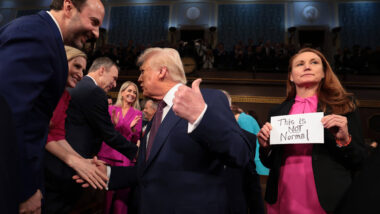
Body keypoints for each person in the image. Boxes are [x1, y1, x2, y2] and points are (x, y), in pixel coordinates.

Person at [77, 47, 251, 214]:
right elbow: (148, 171)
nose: (139, 78)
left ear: (161, 72)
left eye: (143, 71)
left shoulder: (207, 99)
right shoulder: (157, 116)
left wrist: (200, 116)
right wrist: (107, 173)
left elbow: (240, 153)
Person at [0, 0, 105, 212]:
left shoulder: (44, 36)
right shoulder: (36, 36)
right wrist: (26, 190)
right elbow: (9, 116)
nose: (96, 33)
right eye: (93, 22)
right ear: (68, 6)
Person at [257, 48, 367, 213]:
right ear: (291, 76)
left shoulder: (344, 106)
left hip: (329, 198)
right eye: (300, 64)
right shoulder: (277, 112)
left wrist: (345, 140)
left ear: (323, 73)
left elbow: (360, 160)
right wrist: (265, 147)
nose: (307, 67)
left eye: (314, 62)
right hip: (283, 196)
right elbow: (269, 163)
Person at [45, 57, 138, 213]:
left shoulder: (76, 86)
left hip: (60, 158)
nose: (115, 84)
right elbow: (109, 134)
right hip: (71, 164)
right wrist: (137, 153)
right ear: (102, 70)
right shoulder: (94, 92)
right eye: (114, 78)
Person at [43, 46, 108, 213]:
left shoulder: (65, 95)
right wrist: (73, 161)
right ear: (62, 61)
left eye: (83, 69)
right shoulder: (43, 87)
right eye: (77, 66)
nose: (81, 74)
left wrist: (83, 161)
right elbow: (41, 134)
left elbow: (57, 135)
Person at [98, 81, 142, 214]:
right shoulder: (111, 110)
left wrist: (133, 130)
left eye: (134, 92)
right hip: (108, 156)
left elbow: (135, 140)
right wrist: (115, 127)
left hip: (124, 159)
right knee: (104, 199)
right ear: (122, 93)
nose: (132, 94)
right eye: (129, 91)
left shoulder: (137, 114)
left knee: (121, 201)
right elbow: (105, 132)